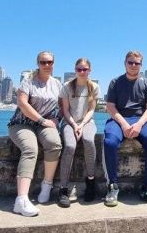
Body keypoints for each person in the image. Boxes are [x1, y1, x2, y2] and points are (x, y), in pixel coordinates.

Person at [103, 50, 147, 207]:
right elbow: (110, 106)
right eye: (130, 62)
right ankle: (113, 186)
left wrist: (139, 124)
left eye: (136, 63)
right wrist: (124, 124)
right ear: (125, 63)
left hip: (140, 119)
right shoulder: (115, 82)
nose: (133, 65)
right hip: (119, 119)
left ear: (140, 65)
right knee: (109, 142)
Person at [8, 51, 62, 216]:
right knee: (30, 148)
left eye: (49, 62)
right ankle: (21, 200)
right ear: (38, 63)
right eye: (43, 62)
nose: (47, 65)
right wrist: (41, 120)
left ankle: (47, 185)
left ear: (54, 63)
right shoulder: (28, 81)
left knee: (54, 144)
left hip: (44, 124)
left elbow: (61, 107)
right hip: (21, 123)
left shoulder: (57, 84)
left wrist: (56, 120)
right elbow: (23, 104)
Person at [58, 58, 100, 207]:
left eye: (85, 69)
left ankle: (90, 181)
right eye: (79, 69)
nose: (82, 72)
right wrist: (75, 125)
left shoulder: (93, 86)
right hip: (69, 122)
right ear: (75, 70)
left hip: (87, 122)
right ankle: (63, 189)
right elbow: (65, 111)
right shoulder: (67, 86)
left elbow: (92, 110)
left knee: (88, 141)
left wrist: (81, 125)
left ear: (89, 70)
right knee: (70, 146)